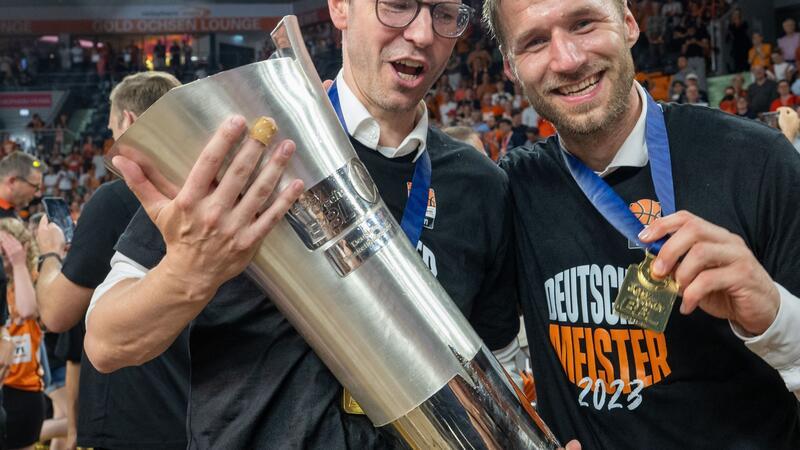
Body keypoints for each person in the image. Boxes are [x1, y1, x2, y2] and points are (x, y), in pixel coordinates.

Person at [85, 1, 523, 449]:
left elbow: (498, 368)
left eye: (445, 13)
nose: (423, 34)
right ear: (340, 8)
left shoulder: (481, 187)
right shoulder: (246, 149)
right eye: (398, 5)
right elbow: (106, 343)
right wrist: (190, 271)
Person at [483, 0, 800, 448]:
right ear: (512, 67)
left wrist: (774, 315)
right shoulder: (508, 190)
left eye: (584, 23)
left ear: (629, 24)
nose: (568, 60)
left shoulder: (758, 162)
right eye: (535, 42)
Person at [34, 71, 187, 450]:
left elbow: (56, 313)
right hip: (193, 410)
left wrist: (48, 252)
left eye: (112, 127)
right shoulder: (202, 194)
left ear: (129, 122)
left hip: (130, 414)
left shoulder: (115, 200)